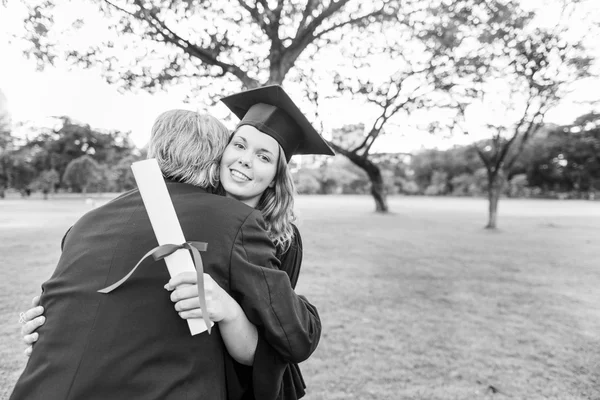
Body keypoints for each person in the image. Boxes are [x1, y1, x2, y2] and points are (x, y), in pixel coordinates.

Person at [16, 85, 334, 400]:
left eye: (263, 156)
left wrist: (230, 311)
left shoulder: (283, 239)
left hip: (237, 376)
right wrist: (54, 320)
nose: (245, 160)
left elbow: (278, 332)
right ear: (221, 153)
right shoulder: (171, 212)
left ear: (277, 174)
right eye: (239, 145)